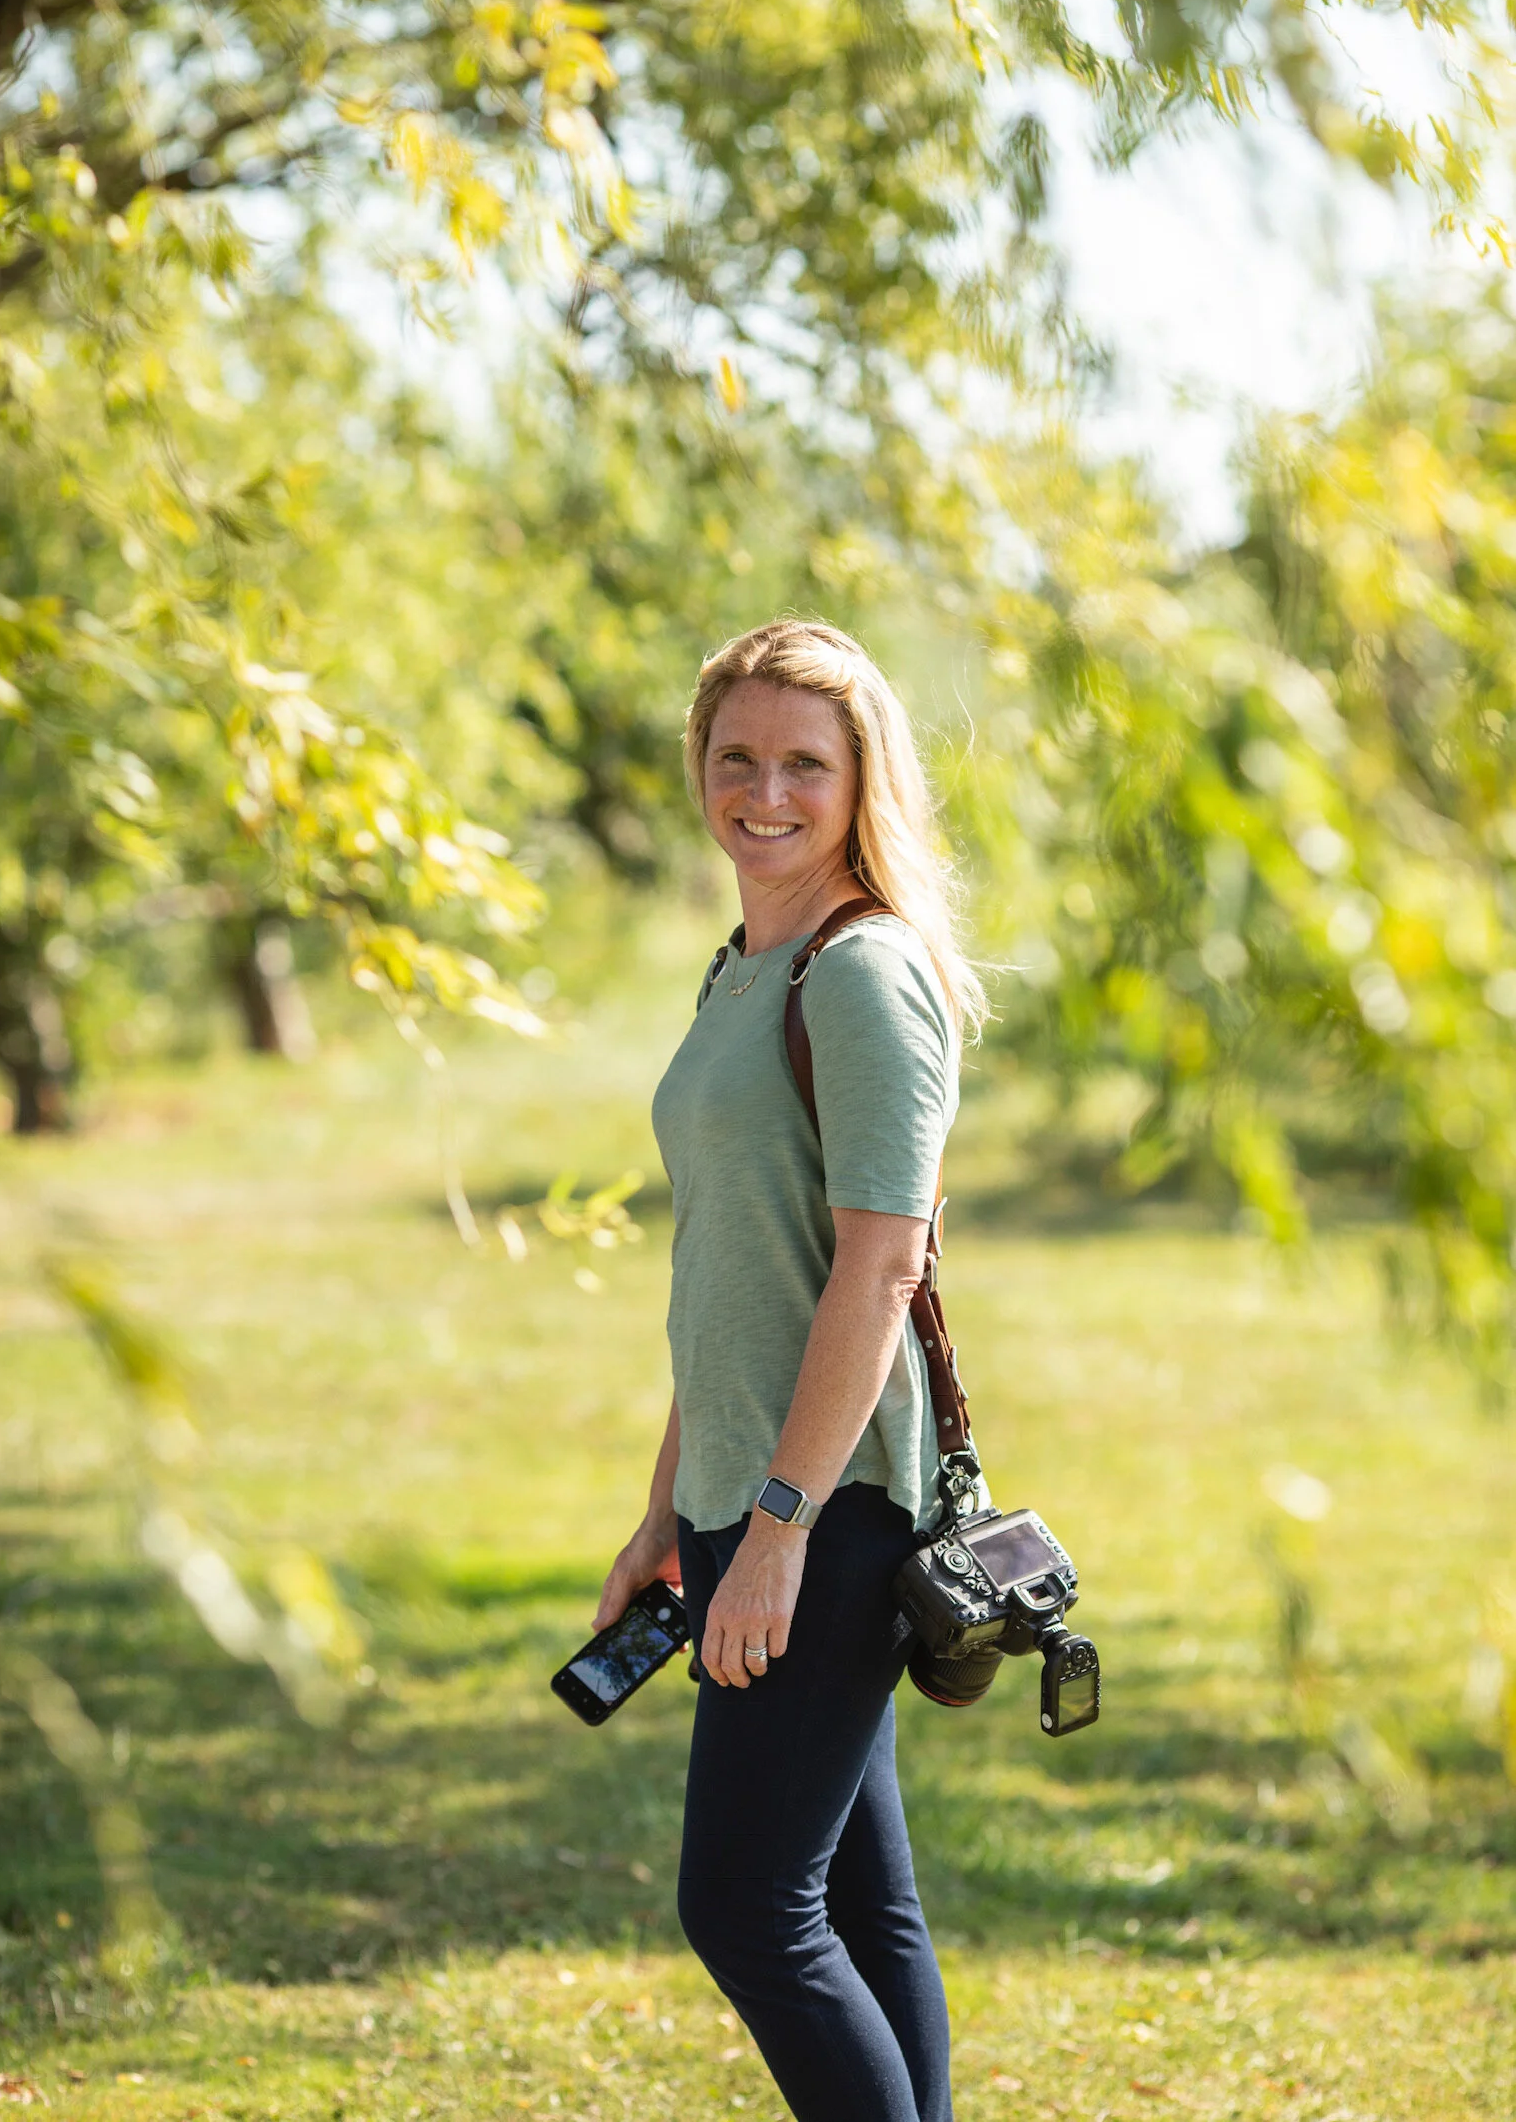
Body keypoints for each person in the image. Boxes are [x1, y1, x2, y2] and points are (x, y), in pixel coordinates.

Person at [593, 620, 987, 2122]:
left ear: (859, 781)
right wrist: (665, 1511)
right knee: (853, 1904)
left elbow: (879, 1270)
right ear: (700, 766)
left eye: (804, 763)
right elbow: (738, 1276)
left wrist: (775, 1528)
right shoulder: (745, 967)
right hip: (747, 1497)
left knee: (750, 1905)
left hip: (825, 1509)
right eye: (737, 757)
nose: (765, 790)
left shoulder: (863, 976)